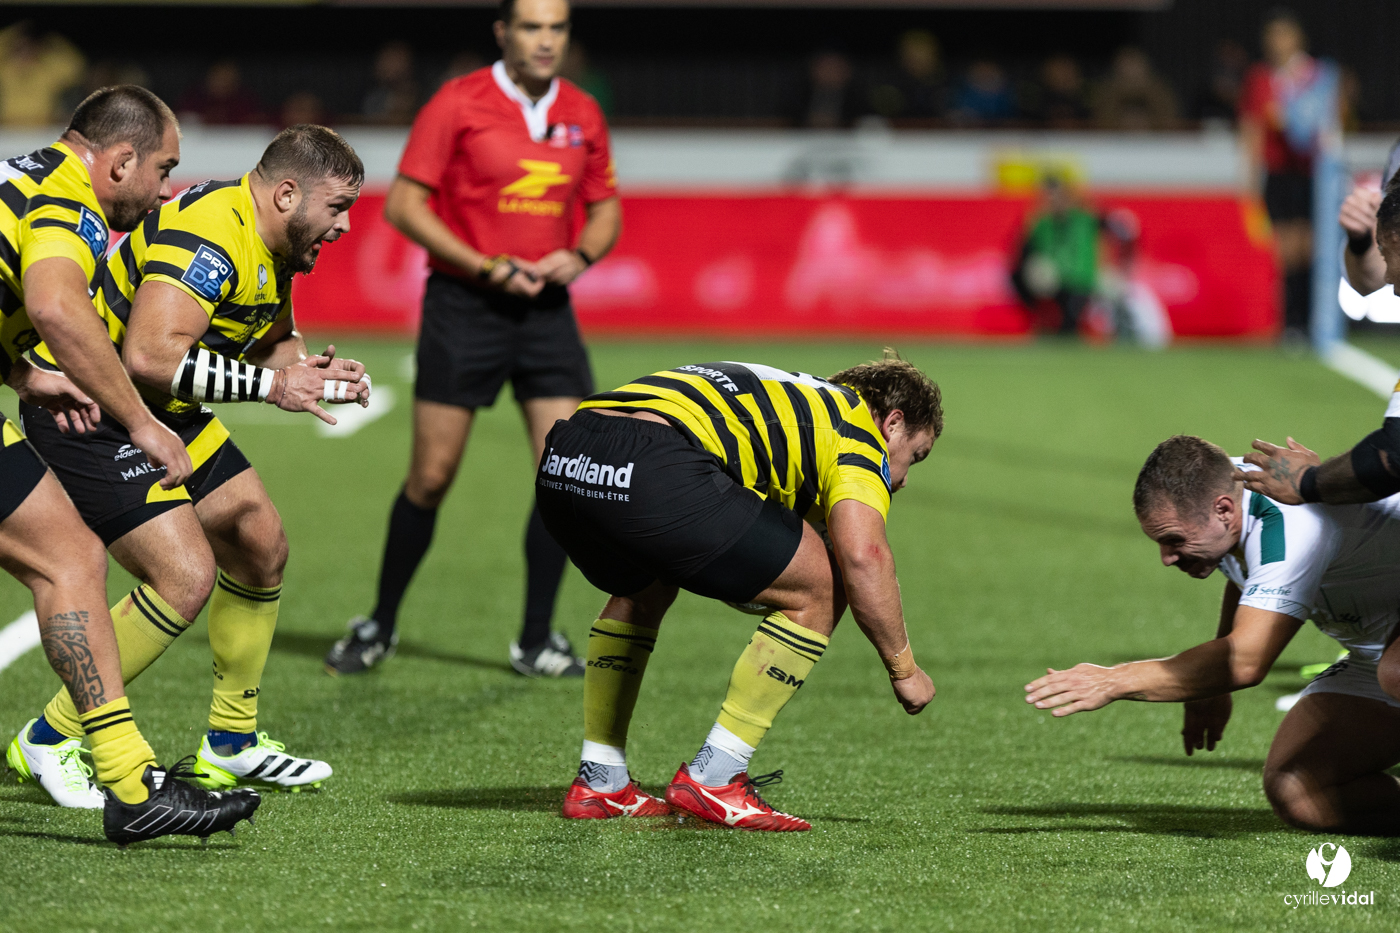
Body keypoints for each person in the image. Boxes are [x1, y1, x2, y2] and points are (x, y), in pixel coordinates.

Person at [10, 124, 371, 803]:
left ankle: (230, 743)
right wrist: (274, 387)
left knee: (259, 541)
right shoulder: (212, 230)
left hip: (161, 409)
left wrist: (310, 373)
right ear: (287, 194)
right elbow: (151, 355)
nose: (346, 225)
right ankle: (50, 736)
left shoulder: (275, 242)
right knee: (183, 574)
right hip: (88, 405)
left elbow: (269, 341)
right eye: (338, 207)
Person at [325, 0, 621, 678]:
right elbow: (404, 205)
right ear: (503, 33)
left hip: (546, 311)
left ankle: (536, 639)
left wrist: (578, 257)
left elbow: (605, 210)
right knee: (431, 478)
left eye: (556, 28)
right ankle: (379, 623)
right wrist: (486, 266)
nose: (545, 40)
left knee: (565, 476)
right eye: (531, 27)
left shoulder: (583, 111)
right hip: (465, 306)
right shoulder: (457, 102)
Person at [0, 85, 259, 846]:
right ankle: (130, 784)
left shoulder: (20, 174)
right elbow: (56, 305)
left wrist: (21, 376)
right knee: (69, 558)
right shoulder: (68, 201)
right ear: (118, 161)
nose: (165, 189)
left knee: (68, 557)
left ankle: (127, 779)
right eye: (163, 168)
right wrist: (142, 422)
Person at [540, 356, 940, 831]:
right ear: (892, 423)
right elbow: (864, 557)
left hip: (567, 456)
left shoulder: (801, 400)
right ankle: (715, 777)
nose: (903, 479)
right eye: (915, 455)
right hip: (653, 465)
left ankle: (601, 780)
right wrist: (904, 669)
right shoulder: (858, 431)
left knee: (644, 582)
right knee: (824, 583)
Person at [1027, 436, 1400, 833]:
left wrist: (1113, 680)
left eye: (1174, 540)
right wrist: (1210, 687)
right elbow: (1252, 578)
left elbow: (1246, 661)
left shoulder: (1288, 525)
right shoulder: (1224, 488)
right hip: (1376, 656)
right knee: (1302, 792)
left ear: (1223, 511)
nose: (1167, 558)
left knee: (1395, 673)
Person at [1239, 11, 1337, 339]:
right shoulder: (1262, 78)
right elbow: (1252, 128)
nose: (1278, 42)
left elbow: (1330, 121)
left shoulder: (1316, 76)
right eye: (1273, 36)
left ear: (1298, 39)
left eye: (1285, 35)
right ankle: (1290, 323)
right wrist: (1250, 178)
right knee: (1284, 250)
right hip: (1278, 172)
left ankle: (1312, 319)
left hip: (1311, 172)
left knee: (1310, 246)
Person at [0, 22, 84, 126]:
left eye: (28, 47)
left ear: (37, 48)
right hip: (8, 128)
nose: (23, 52)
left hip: (43, 128)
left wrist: (51, 40)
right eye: (19, 47)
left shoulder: (48, 70)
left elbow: (77, 65)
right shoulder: (5, 69)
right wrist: (15, 30)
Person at [1091, 46, 1178, 131]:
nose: (1131, 73)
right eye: (1125, 69)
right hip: (1114, 137)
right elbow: (1101, 120)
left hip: (1156, 137)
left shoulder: (1160, 92)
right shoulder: (1106, 93)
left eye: (1135, 67)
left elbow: (1169, 119)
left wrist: (1145, 88)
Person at [177, 60, 265, 126]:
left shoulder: (246, 100)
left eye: (228, 77)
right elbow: (181, 120)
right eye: (219, 77)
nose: (223, 82)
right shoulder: (193, 98)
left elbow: (258, 123)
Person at [362, 41, 419, 126]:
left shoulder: (423, 97)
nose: (390, 65)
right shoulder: (374, 99)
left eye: (397, 59)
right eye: (386, 59)